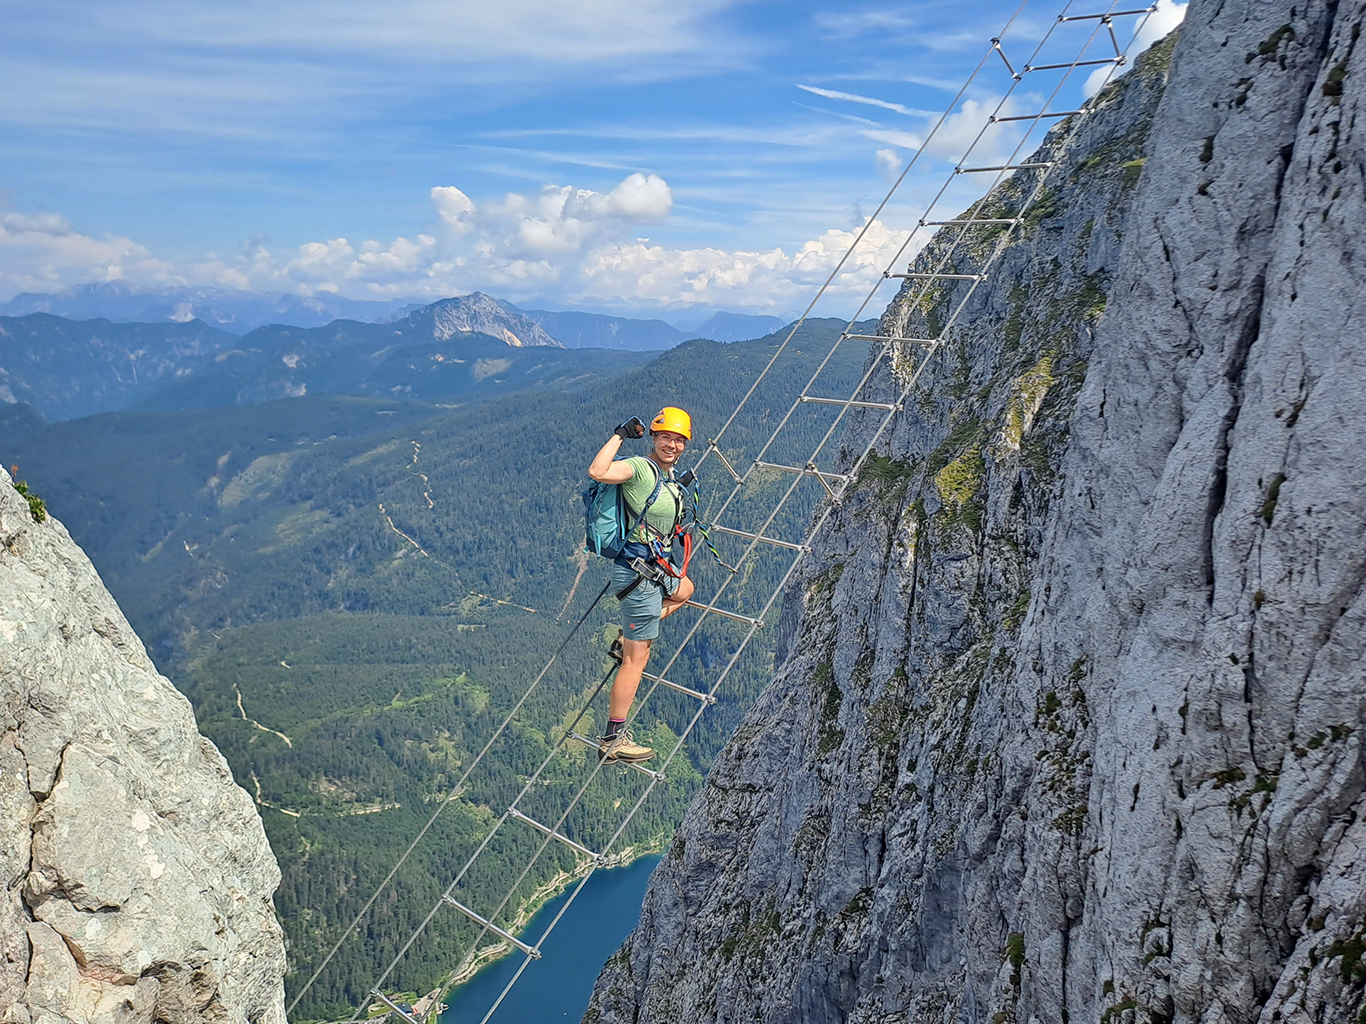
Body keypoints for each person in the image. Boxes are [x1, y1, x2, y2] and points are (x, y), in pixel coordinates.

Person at [586, 406, 696, 763]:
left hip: (656, 567)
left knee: (686, 590)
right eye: (665, 437)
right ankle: (613, 738)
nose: (672, 445)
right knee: (637, 657)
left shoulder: (668, 477)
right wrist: (619, 434)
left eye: (679, 440)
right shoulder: (638, 468)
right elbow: (598, 471)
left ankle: (625, 637)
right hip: (638, 573)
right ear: (653, 437)